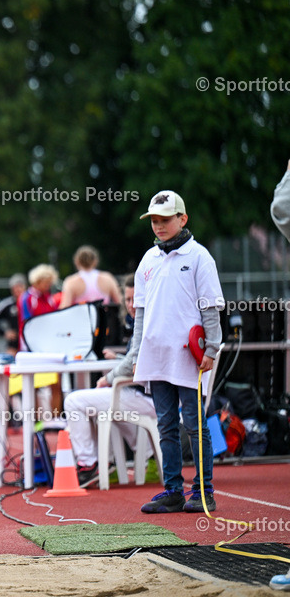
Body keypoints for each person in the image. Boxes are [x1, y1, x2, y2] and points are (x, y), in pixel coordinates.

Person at [106, 190, 223, 514]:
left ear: (182, 219)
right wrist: (137, 353)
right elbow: (140, 315)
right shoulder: (148, 260)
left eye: (165, 219)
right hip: (156, 355)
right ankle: (172, 490)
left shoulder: (200, 257)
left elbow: (210, 307)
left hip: (188, 355)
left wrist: (212, 347)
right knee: (166, 425)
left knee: (194, 424)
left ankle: (203, 491)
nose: (158, 226)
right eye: (154, 221)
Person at [64, 274, 156, 486]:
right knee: (110, 406)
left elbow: (136, 362)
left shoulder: (146, 323)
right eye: (128, 299)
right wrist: (120, 360)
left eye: (136, 299)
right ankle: (146, 456)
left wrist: (108, 378)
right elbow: (139, 360)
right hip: (150, 394)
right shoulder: (148, 321)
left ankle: (88, 464)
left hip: (150, 396)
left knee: (74, 402)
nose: (132, 305)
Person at [17, 264, 59, 350]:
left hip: (48, 339)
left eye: (50, 283)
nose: (49, 285)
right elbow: (27, 321)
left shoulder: (49, 298)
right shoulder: (27, 298)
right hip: (31, 340)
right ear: (38, 281)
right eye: (46, 283)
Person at [0, 273, 26, 355]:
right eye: (15, 287)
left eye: (20, 286)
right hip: (14, 346)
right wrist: (3, 332)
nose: (17, 290)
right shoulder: (8, 304)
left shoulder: (32, 302)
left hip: (30, 344)